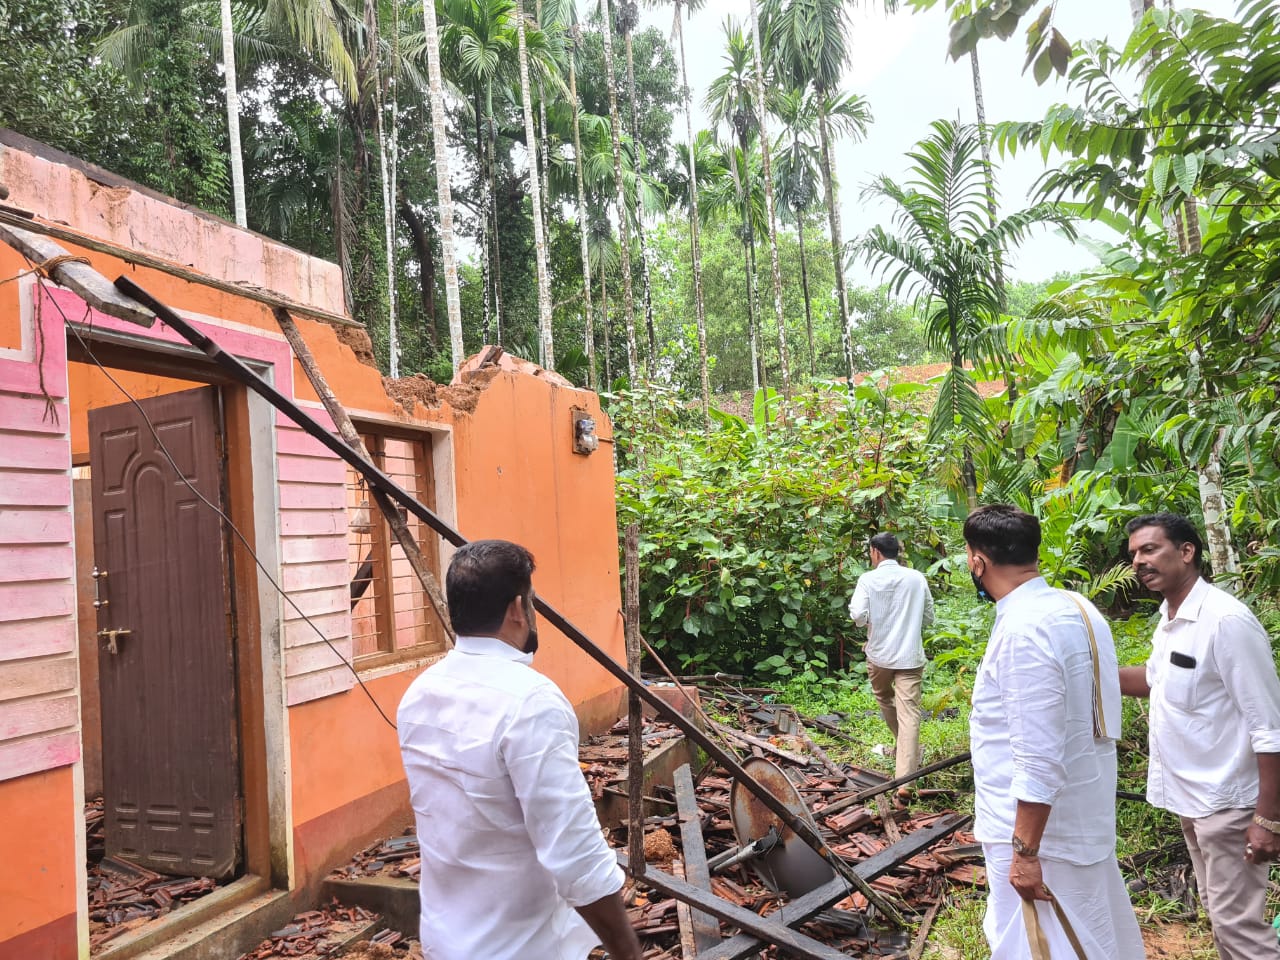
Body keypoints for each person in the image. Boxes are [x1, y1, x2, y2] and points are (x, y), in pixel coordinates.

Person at [397, 539, 642, 960]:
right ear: (516, 609)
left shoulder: (419, 694)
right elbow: (574, 852)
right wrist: (627, 951)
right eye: (530, 601)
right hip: (521, 947)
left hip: (445, 941)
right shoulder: (531, 702)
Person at [965, 505, 1144, 960]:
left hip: (1042, 835)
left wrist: (1025, 853)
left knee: (1041, 943)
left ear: (978, 562)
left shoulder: (1024, 630)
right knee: (1090, 936)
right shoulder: (1077, 608)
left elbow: (1038, 755)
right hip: (1084, 813)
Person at [1120, 513, 1280, 960]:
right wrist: (1085, 673)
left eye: (1150, 549)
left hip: (1229, 802)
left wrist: (1268, 819)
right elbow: (1153, 679)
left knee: (1238, 926)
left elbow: (1270, 727)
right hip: (1191, 799)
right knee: (1220, 914)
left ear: (1187, 551)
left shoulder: (1225, 621)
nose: (1138, 561)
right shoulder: (1170, 618)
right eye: (1134, 554)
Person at [849, 532, 934, 807]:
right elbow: (929, 617)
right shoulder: (916, 578)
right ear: (897, 551)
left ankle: (905, 761)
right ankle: (906, 775)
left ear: (875, 551)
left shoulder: (868, 580)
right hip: (910, 657)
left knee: (884, 698)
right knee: (910, 713)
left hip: (880, 656)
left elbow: (858, 616)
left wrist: (870, 621)